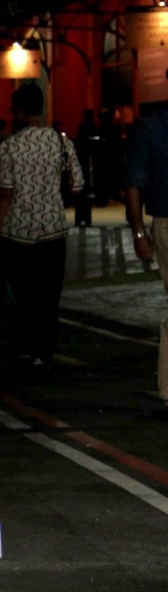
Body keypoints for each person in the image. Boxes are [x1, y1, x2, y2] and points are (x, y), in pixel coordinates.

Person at [0, 83, 85, 367]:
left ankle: (26, 347)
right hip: (52, 231)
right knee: (49, 295)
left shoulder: (9, 146)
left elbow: (5, 195)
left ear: (20, 110)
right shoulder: (60, 141)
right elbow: (77, 185)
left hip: (18, 233)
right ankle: (44, 351)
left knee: (23, 294)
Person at [124, 102, 168, 406]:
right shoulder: (152, 128)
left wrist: (139, 230)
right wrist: (139, 231)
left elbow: (134, 183)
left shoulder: (150, 128)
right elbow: (134, 183)